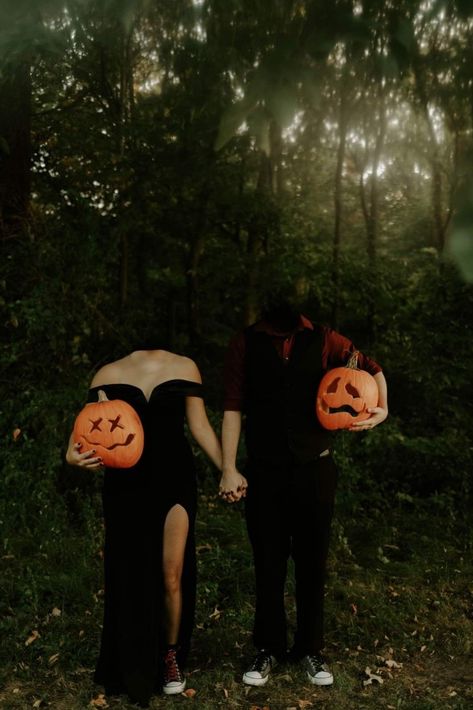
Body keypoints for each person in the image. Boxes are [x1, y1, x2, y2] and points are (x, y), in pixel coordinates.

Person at [218, 300, 388, 687]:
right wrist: (229, 467)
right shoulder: (245, 343)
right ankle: (267, 649)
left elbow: (372, 368)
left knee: (312, 563)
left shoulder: (325, 339)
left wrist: (384, 408)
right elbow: (232, 408)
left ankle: (311, 649)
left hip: (316, 468)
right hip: (265, 471)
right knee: (268, 562)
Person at [66, 347, 222, 707]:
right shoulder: (105, 375)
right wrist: (72, 457)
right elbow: (80, 439)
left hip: (175, 479)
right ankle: (131, 660)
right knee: (132, 573)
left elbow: (199, 426)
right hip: (125, 486)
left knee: (172, 574)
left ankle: (170, 656)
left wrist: (226, 469)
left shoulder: (186, 366)